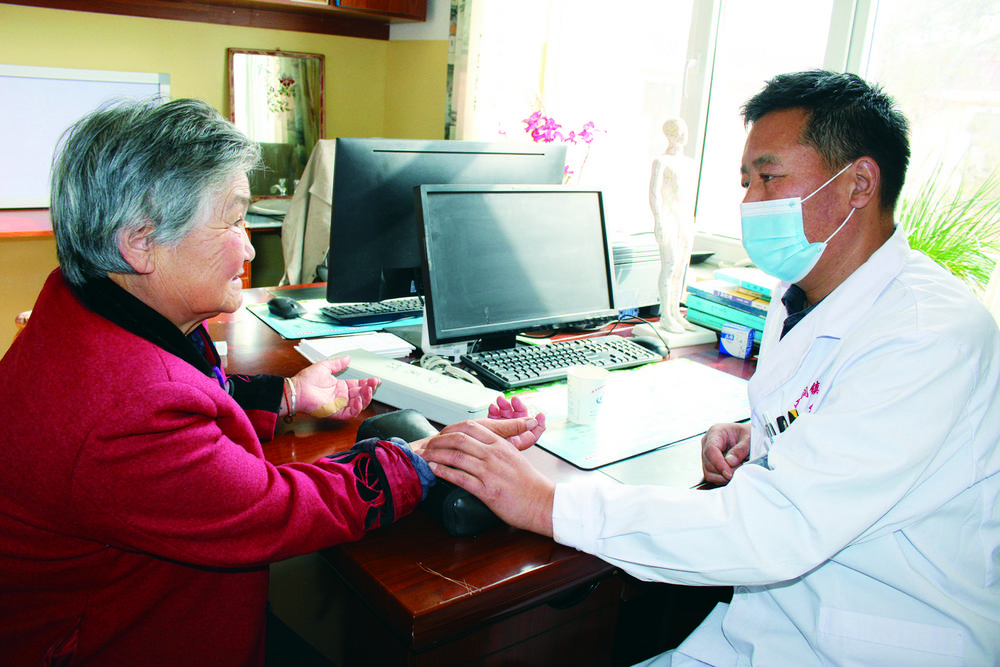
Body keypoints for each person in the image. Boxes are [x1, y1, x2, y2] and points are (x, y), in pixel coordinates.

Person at [423, 70, 1000, 666]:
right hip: (775, 628)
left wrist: (547, 503)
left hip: (873, 645)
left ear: (858, 183)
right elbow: (845, 426)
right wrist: (768, 434)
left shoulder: (929, 334)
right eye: (745, 182)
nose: (749, 202)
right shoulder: (804, 293)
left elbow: (777, 527)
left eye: (769, 177)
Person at [0, 98, 543, 667]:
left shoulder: (91, 308)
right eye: (234, 220)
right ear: (139, 242)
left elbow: (188, 394)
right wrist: (422, 459)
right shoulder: (125, 407)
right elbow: (271, 508)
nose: (250, 246)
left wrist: (285, 396)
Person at [649, 118, 698, 333]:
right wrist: (658, 220)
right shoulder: (661, 161)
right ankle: (665, 315)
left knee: (682, 267)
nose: (682, 134)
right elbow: (654, 193)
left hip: (685, 219)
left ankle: (676, 311)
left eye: (683, 129)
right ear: (668, 134)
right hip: (669, 218)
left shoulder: (690, 163)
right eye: (677, 130)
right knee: (669, 266)